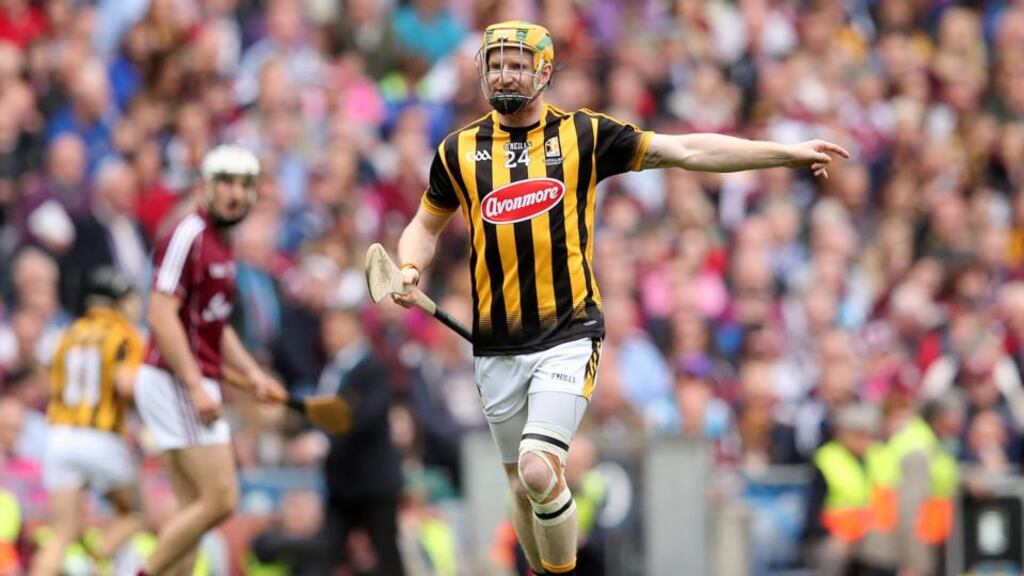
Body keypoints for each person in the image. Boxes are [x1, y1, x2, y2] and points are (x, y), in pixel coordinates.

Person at [393, 20, 850, 576]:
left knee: (539, 469)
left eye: (516, 64)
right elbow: (423, 225)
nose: (504, 74)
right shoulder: (458, 150)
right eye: (495, 64)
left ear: (544, 72)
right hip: (496, 345)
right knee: (519, 486)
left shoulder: (584, 135)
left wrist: (782, 154)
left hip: (567, 333)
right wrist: (410, 266)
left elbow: (687, 150)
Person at [133, 144, 285, 576]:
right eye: (227, 184)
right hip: (174, 379)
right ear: (206, 187)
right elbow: (160, 314)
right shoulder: (190, 235)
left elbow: (215, 323)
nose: (236, 194)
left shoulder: (222, 242)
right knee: (222, 499)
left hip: (189, 380)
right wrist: (196, 384)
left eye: (245, 185)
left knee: (193, 512)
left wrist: (252, 373)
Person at [30, 267, 145, 576]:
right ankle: (89, 565)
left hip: (59, 436)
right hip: (101, 437)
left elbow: (44, 374)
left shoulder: (65, 332)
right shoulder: (124, 335)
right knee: (134, 513)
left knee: (60, 534)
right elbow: (125, 384)